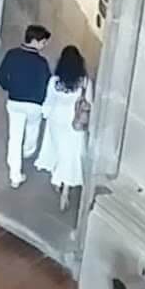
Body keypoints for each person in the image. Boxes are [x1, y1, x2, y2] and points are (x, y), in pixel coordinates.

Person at [36, 46, 93, 210]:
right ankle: (65, 190)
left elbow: (48, 101)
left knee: (59, 150)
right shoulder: (84, 82)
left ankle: (57, 178)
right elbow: (89, 103)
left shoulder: (55, 81)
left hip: (56, 119)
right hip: (74, 121)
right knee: (71, 154)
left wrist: (45, 116)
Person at [0, 25, 51, 187]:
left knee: (15, 137)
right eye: (43, 42)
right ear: (35, 41)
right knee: (32, 131)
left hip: (15, 101)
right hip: (35, 104)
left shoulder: (12, 55)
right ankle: (27, 152)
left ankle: (15, 176)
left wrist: (10, 87)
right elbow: (47, 83)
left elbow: (0, 76)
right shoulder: (41, 62)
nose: (44, 46)